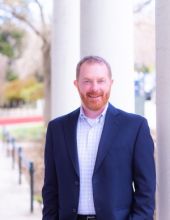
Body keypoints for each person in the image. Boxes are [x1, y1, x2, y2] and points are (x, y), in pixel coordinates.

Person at [42, 56, 156, 220]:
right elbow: (50, 189)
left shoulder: (135, 127)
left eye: (101, 81)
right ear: (77, 84)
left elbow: (146, 191)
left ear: (111, 83)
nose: (94, 88)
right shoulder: (57, 129)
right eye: (87, 81)